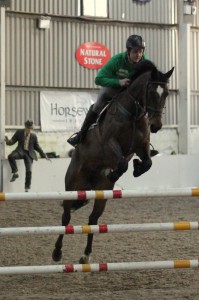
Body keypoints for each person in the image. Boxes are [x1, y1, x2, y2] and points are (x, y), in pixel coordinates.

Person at [67, 34, 147, 147]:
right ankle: (81, 135)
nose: (138, 55)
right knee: (98, 105)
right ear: (128, 51)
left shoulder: (144, 61)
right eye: (135, 52)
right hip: (113, 88)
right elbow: (98, 79)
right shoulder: (117, 60)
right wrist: (118, 82)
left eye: (140, 51)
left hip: (131, 92)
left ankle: (145, 140)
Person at [5, 120, 49, 192]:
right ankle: (15, 172)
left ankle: (27, 187)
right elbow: (12, 141)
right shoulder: (19, 132)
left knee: (29, 171)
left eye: (30, 128)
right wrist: (8, 141)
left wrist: (44, 155)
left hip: (29, 154)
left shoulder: (34, 136)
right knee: (11, 156)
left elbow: (37, 146)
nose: (29, 130)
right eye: (28, 128)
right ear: (25, 127)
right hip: (20, 150)